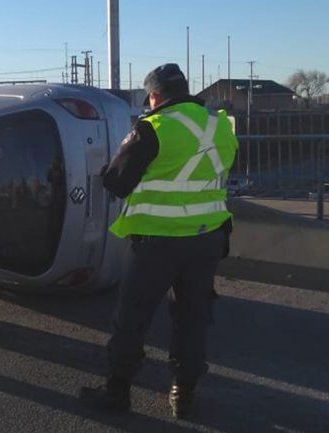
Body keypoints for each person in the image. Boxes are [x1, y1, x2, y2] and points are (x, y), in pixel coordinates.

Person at [78, 63, 238, 419]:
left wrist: (107, 170)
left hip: (158, 242)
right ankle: (184, 394)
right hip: (208, 237)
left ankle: (117, 392)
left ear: (154, 95)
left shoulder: (152, 128)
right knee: (192, 316)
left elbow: (118, 183)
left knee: (133, 315)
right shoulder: (220, 126)